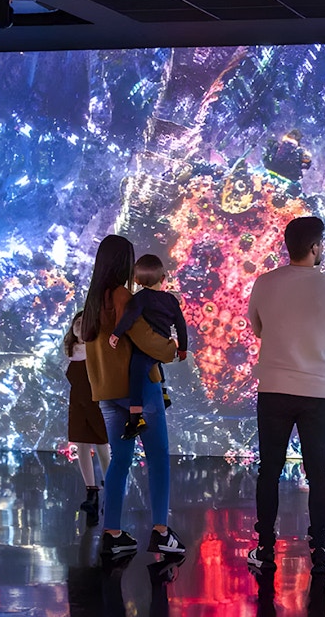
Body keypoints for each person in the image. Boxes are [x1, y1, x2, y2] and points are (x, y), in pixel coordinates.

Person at [246, 216, 325, 575]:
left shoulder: (265, 282)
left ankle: (264, 547)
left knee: (269, 471)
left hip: (274, 388)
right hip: (318, 391)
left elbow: (256, 326)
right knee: (318, 472)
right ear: (316, 247)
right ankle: (319, 550)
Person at [81, 234, 186, 557]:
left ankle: (112, 533)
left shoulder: (93, 301)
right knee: (157, 459)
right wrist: (173, 348)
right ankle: (161, 532)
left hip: (107, 395)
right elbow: (147, 340)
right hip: (139, 392)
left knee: (119, 462)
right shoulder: (123, 296)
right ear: (125, 263)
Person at [108, 254, 188, 440]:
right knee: (156, 364)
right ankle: (164, 392)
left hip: (145, 350)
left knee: (136, 375)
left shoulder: (140, 298)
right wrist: (182, 348)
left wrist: (116, 334)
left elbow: (129, 318)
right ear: (162, 279)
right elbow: (181, 326)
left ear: (136, 280)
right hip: (163, 346)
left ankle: (136, 418)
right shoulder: (171, 300)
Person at [63, 311, 110, 514]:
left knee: (102, 447)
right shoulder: (70, 351)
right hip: (78, 405)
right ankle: (91, 490)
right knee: (82, 446)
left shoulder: (97, 350)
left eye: (83, 322)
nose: (78, 326)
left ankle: (111, 490)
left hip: (96, 404)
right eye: (76, 322)